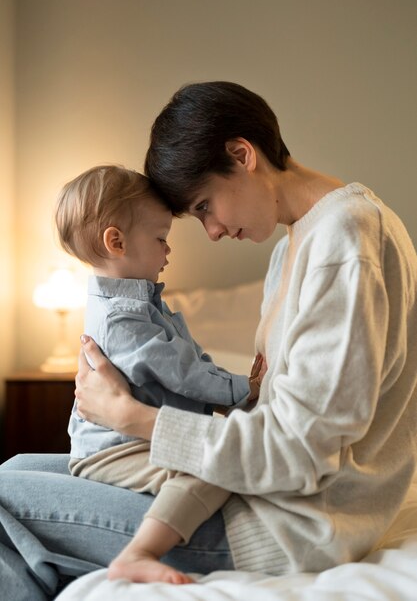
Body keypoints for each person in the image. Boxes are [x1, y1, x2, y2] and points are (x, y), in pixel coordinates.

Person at [0, 81, 416, 601]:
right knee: (15, 469)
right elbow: (272, 413)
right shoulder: (294, 248)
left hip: (282, 523)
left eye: (204, 207)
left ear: (242, 156)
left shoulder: (345, 243)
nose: (212, 231)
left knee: (3, 494)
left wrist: (132, 418)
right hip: (255, 490)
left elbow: (301, 452)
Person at [54, 164, 261, 584]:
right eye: (161, 238)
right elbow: (183, 373)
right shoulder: (124, 318)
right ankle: (139, 553)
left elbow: (191, 360)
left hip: (125, 438)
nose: (169, 251)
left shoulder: (139, 304)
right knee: (211, 467)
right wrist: (245, 390)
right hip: (115, 448)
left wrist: (234, 385)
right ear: (116, 241)